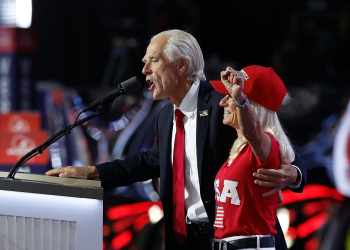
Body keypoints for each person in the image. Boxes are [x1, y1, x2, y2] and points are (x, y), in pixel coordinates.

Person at [46, 30, 306, 250]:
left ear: (181, 66)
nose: (145, 70)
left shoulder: (222, 103)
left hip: (235, 239)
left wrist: (294, 174)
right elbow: (149, 161)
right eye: (145, 62)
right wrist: (92, 173)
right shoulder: (165, 116)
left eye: (154, 61)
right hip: (185, 239)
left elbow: (274, 137)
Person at [210, 65, 295, 250]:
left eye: (230, 96)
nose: (222, 102)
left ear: (252, 106)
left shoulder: (267, 145)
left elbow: (253, 131)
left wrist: (239, 98)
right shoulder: (240, 152)